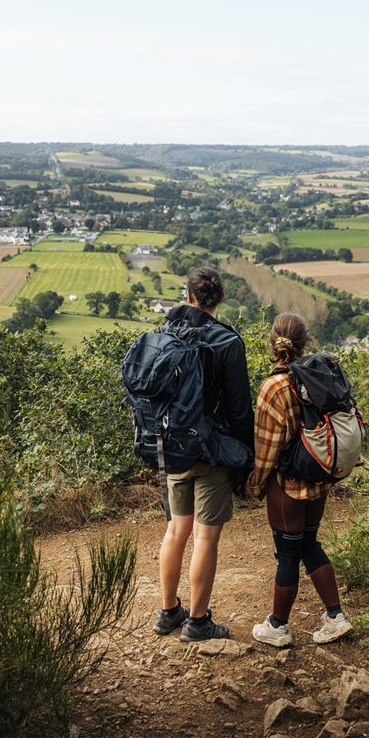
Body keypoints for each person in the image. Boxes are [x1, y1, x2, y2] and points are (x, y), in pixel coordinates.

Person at [152, 267, 254, 642]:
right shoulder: (228, 343)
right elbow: (240, 409)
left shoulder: (165, 334)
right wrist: (246, 460)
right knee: (205, 538)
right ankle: (198, 622)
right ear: (221, 299)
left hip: (173, 449)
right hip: (212, 452)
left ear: (188, 296)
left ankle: (167, 613)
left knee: (176, 530)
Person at [246, 313, 353, 646]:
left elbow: (265, 451)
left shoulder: (273, 387)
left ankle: (278, 626)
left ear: (272, 343)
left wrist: (254, 485)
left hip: (287, 485)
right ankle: (335, 616)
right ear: (305, 342)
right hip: (320, 479)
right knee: (309, 543)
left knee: (287, 553)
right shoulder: (318, 377)